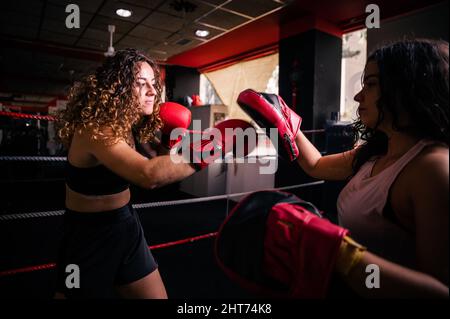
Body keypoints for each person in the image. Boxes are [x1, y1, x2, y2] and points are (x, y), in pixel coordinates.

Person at [237, 39, 449, 298]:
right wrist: (282, 115)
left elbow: (440, 292)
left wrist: (338, 254)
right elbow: (315, 165)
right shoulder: (375, 153)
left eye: (370, 85)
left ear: (405, 88)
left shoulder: (433, 167)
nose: (359, 96)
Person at [54, 48, 252, 299]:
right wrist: (217, 143)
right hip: (88, 236)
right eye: (140, 84)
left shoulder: (130, 125)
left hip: (126, 226)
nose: (151, 90)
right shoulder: (96, 129)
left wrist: (169, 139)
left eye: (153, 83)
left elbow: (160, 162)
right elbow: (148, 175)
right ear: (118, 89)